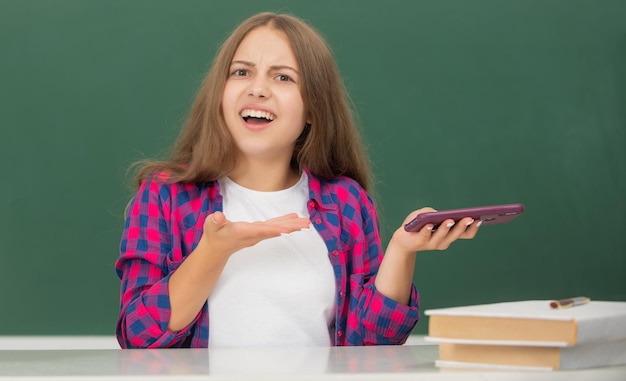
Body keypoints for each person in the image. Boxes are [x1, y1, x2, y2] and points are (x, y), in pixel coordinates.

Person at [115, 11, 480, 349]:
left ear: (312, 109)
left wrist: (401, 251)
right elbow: (136, 336)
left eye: (283, 77)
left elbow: (372, 348)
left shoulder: (345, 202)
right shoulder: (165, 195)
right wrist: (212, 252)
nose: (257, 89)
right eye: (241, 72)